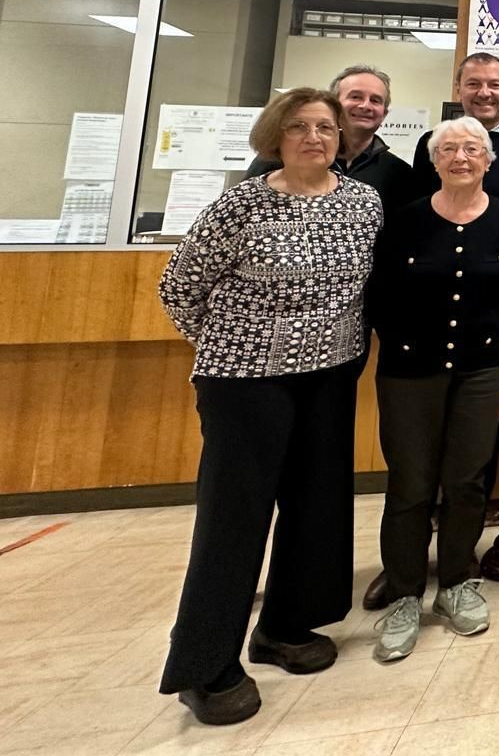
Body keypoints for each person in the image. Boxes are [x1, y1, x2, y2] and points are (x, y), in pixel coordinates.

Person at [156, 88, 383, 726]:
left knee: (317, 504)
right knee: (234, 517)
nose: (315, 137)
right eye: (300, 127)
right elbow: (181, 289)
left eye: (325, 127)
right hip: (245, 382)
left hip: (331, 375)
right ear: (274, 135)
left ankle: (286, 626)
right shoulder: (242, 204)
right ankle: (207, 667)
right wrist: (240, 343)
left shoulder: (362, 204)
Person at [367, 115, 499, 662]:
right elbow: (380, 298)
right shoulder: (405, 221)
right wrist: (411, 343)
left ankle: (457, 581)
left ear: (489, 160)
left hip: (481, 369)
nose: (461, 157)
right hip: (411, 370)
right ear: (434, 162)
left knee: (467, 479)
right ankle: (405, 592)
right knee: (411, 485)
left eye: (473, 148)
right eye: (450, 149)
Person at [243, 64, 412, 213]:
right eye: (355, 97)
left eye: (375, 100)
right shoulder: (278, 159)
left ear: (384, 114)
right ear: (334, 105)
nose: (365, 105)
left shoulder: (399, 173)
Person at [412, 52, 499, 208]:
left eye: (494, 85)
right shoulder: (432, 142)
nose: (484, 93)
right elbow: (420, 206)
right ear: (458, 90)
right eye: (473, 84)